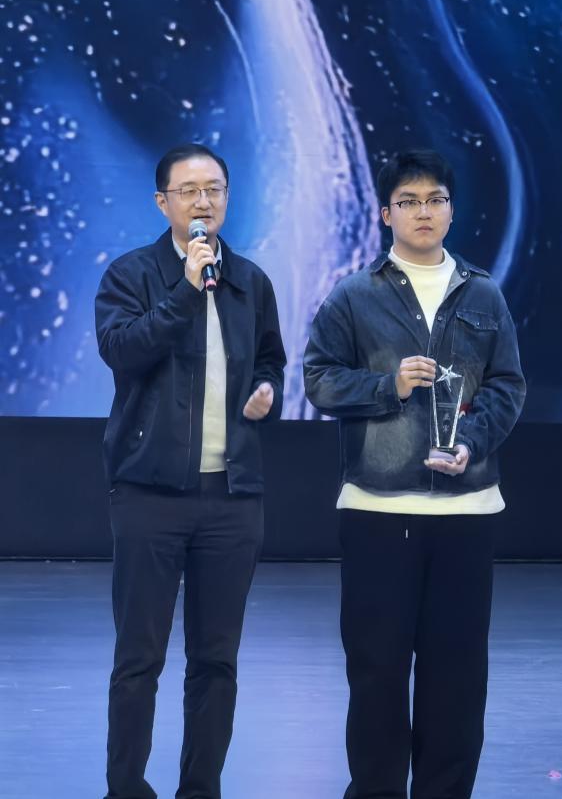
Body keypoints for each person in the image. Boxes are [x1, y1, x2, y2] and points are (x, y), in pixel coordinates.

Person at [303, 149, 526, 799]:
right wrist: (387, 386)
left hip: (466, 511)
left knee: (457, 677)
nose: (423, 211)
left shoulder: (482, 292)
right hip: (378, 509)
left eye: (435, 200)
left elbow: (507, 385)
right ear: (385, 214)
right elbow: (318, 378)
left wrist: (471, 444)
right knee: (376, 673)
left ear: (451, 209)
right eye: (408, 201)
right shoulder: (355, 294)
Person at [94, 143, 286, 798]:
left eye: (215, 190)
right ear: (163, 202)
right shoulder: (131, 275)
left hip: (232, 497)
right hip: (149, 493)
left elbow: (270, 359)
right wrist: (184, 288)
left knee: (216, 659)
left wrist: (266, 390)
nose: (204, 202)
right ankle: (126, 788)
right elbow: (123, 350)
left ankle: (200, 788)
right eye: (189, 191)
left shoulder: (250, 281)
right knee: (139, 658)